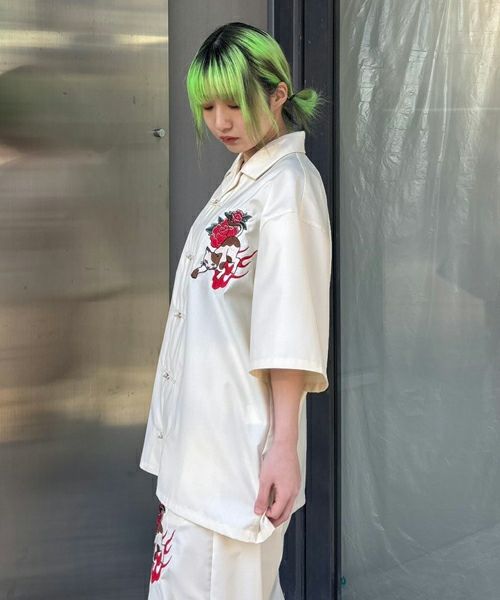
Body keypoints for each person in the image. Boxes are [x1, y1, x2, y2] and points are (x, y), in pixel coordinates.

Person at [141, 21, 332, 599]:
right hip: (196, 452)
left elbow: (290, 326)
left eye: (234, 104)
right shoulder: (244, 178)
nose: (221, 122)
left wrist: (283, 448)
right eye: (208, 107)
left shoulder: (288, 186)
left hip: (237, 459)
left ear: (278, 94)